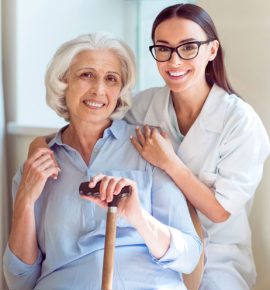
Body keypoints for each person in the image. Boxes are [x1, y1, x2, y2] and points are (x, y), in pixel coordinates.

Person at [26, 3, 270, 290]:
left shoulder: (240, 122)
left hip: (218, 254)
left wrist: (169, 163)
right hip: (152, 251)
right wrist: (39, 145)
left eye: (188, 47)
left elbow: (219, 212)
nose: (174, 61)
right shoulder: (144, 105)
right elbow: (90, 124)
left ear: (212, 51)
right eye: (164, 48)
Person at [3, 32, 202, 290]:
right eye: (86, 75)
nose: (99, 89)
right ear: (63, 82)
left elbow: (189, 256)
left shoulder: (148, 148)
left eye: (111, 79)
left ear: (120, 90)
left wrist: (138, 217)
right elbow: (20, 281)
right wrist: (25, 201)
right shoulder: (37, 165)